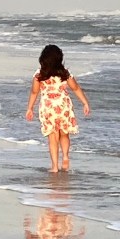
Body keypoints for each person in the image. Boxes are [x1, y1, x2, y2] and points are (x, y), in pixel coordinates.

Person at [25, 44, 90, 172]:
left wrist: (30, 108)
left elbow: (34, 92)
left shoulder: (39, 74)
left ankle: (54, 166)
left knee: (52, 137)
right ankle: (65, 156)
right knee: (64, 134)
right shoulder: (64, 73)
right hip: (63, 106)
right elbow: (75, 88)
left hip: (48, 107)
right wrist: (85, 103)